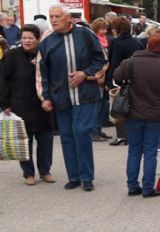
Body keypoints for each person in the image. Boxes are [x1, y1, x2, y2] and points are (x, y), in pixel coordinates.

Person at [38, 3, 106, 191]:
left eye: (57, 17)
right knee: (67, 136)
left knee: (82, 132)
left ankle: (87, 177)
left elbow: (100, 60)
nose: (53, 20)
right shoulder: (47, 41)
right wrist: (45, 96)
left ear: (68, 18)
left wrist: (84, 74)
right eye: (51, 16)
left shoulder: (85, 34)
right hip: (61, 97)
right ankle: (74, 177)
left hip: (85, 95)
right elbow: (44, 73)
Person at [113, 34, 160, 197]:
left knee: (134, 150)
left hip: (132, 112)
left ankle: (132, 186)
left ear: (147, 46)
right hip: (155, 114)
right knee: (150, 152)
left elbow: (117, 77)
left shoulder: (130, 62)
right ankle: (148, 188)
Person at [0, 24, 55, 186]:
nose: (26, 40)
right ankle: (28, 173)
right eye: (24, 37)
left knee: (45, 139)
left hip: (42, 105)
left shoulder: (43, 55)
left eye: (30, 38)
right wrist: (5, 103)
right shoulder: (11, 56)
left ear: (38, 39)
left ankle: (45, 171)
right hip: (19, 105)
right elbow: (2, 80)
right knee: (24, 141)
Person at [106, 17, 144, 146]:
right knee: (133, 106)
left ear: (116, 29)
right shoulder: (136, 42)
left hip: (120, 78)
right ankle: (132, 134)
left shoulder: (117, 43)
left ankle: (121, 135)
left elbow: (114, 63)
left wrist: (109, 81)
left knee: (119, 106)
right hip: (136, 77)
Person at [90, 18, 112, 143]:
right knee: (97, 106)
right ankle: (94, 131)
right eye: (102, 28)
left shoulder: (103, 41)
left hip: (103, 74)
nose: (105, 31)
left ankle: (98, 129)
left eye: (106, 28)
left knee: (101, 104)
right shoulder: (95, 42)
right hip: (98, 76)